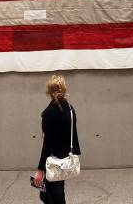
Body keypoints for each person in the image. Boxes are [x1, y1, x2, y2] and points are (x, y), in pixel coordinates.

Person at [33, 74, 81, 204]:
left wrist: (40, 170)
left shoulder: (50, 113)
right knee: (46, 195)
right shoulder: (71, 109)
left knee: (55, 197)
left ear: (49, 92)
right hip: (65, 158)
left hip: (54, 161)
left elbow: (48, 143)